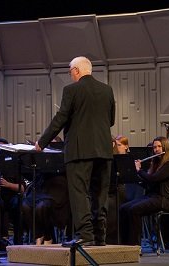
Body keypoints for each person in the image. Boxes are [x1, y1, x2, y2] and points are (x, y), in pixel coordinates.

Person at [35, 56, 115, 246]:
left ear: (77, 70)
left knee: (79, 193)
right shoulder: (107, 90)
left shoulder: (71, 90)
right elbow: (110, 120)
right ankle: (99, 237)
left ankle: (85, 236)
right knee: (100, 194)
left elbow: (61, 117)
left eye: (70, 70)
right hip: (104, 150)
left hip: (79, 151)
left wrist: (42, 142)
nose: (70, 74)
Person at [119, 136, 169, 246]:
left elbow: (154, 179)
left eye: (159, 146)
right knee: (123, 208)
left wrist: (139, 170)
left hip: (168, 199)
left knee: (134, 210)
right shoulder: (156, 163)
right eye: (154, 147)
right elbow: (150, 184)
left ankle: (135, 246)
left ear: (166, 147)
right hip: (155, 196)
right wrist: (136, 176)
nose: (156, 149)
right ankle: (124, 244)